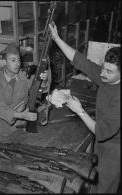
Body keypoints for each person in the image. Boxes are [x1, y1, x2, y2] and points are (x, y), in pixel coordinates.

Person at [49, 22, 120, 193]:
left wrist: (79, 110)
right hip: (101, 144)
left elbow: (101, 131)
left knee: (105, 188)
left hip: (114, 150)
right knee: (94, 184)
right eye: (103, 68)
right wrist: (57, 39)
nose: (102, 74)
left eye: (109, 71)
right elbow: (80, 61)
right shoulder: (106, 79)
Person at [0, 42, 48, 142]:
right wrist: (22, 115)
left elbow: (36, 87)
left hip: (21, 124)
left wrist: (43, 80)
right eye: (13, 60)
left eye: (19, 60)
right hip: (3, 127)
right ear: (4, 62)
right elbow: (0, 108)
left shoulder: (23, 76)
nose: (17, 63)